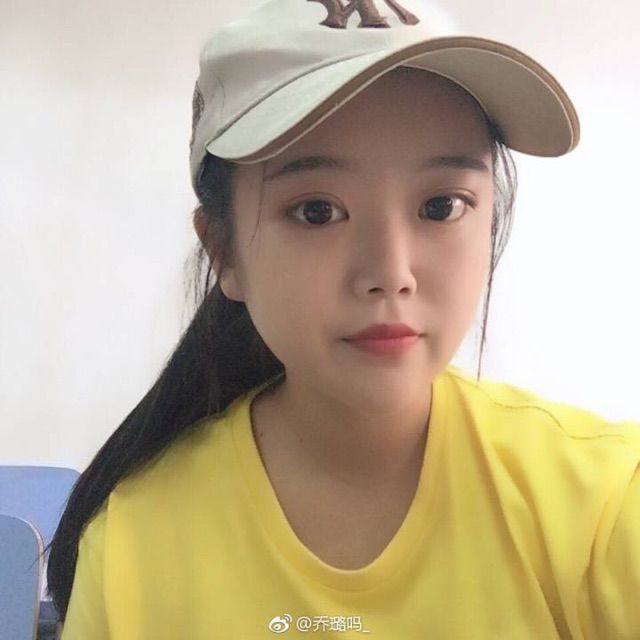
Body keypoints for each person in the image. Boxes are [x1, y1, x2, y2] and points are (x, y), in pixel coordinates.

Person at [46, 0, 640, 637]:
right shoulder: (135, 546)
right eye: (317, 212)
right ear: (224, 251)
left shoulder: (603, 507)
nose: (391, 271)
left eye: (441, 206)